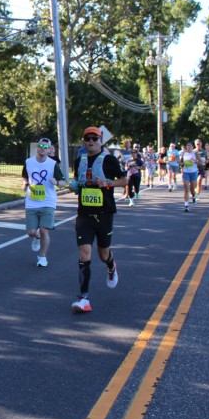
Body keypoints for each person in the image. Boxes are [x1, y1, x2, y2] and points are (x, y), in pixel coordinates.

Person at [67, 126, 128, 313]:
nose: (91, 141)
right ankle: (84, 298)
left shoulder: (109, 160)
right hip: (84, 214)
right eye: (88, 138)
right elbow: (77, 181)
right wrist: (73, 186)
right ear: (84, 141)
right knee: (84, 253)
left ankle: (111, 265)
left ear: (101, 141)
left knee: (103, 254)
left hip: (104, 214)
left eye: (95, 138)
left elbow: (124, 180)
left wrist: (108, 183)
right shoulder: (79, 160)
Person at [22, 138, 66, 267]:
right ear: (37, 147)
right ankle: (36, 237)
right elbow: (25, 175)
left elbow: (63, 183)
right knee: (31, 232)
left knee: (44, 230)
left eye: (45, 147)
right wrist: (25, 183)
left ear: (49, 150)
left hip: (48, 201)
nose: (42, 148)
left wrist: (57, 182)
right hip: (32, 201)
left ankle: (42, 257)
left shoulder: (53, 164)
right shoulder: (28, 162)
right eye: (40, 146)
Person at [180, 141, 201, 212]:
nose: (188, 147)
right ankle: (186, 206)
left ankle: (194, 196)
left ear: (192, 147)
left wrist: (195, 161)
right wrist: (179, 162)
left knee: (192, 189)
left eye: (190, 145)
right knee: (186, 188)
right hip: (186, 172)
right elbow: (181, 163)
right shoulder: (184, 153)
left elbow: (201, 163)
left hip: (193, 172)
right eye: (187, 145)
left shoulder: (195, 153)